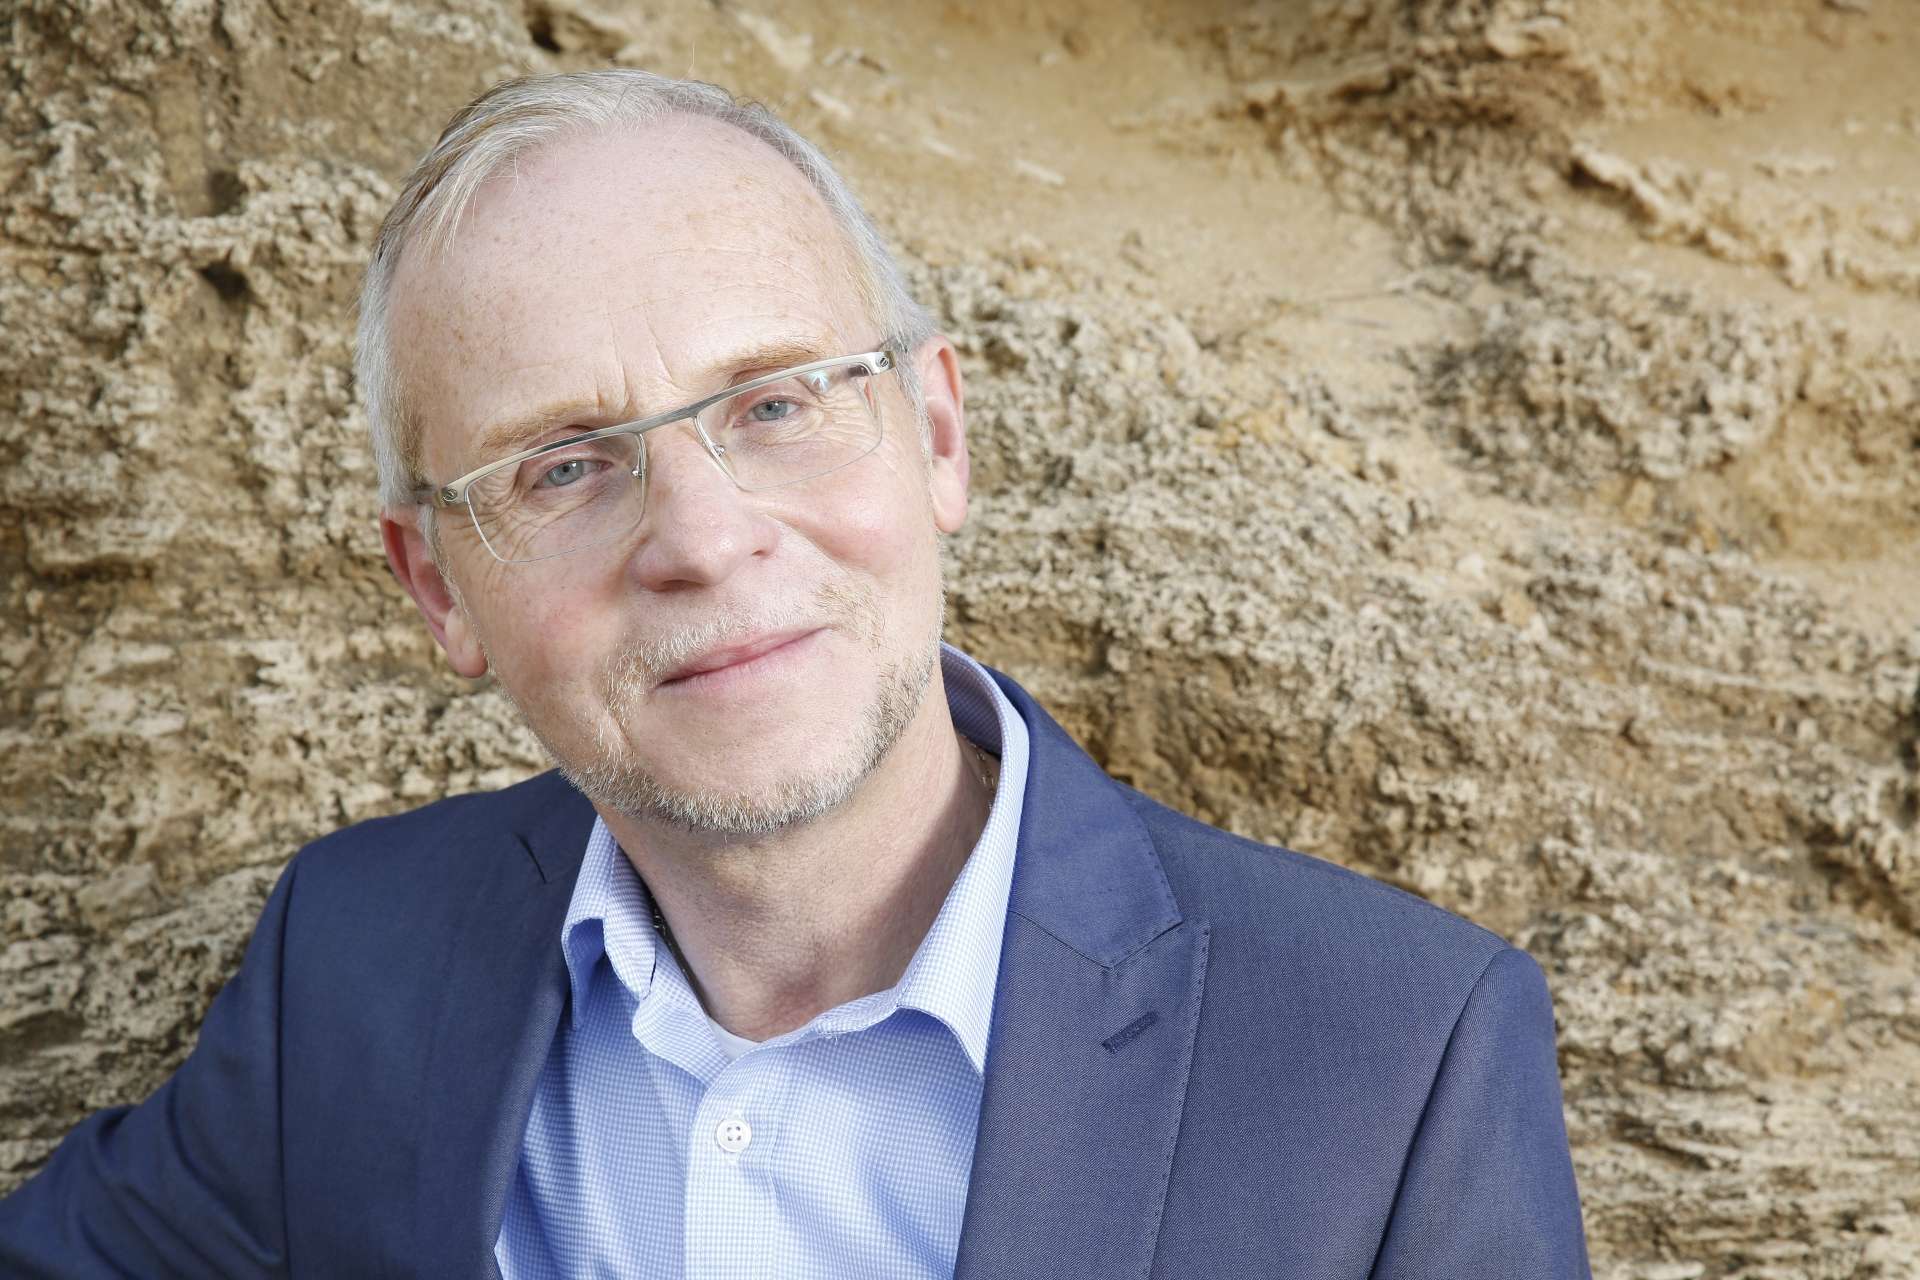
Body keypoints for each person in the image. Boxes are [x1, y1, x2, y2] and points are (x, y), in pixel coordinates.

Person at [0, 70, 1591, 1278]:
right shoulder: (355, 962)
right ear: (439, 589)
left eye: (774, 404)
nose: (702, 538)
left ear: (938, 433)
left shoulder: (1398, 1059)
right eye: (564, 467)